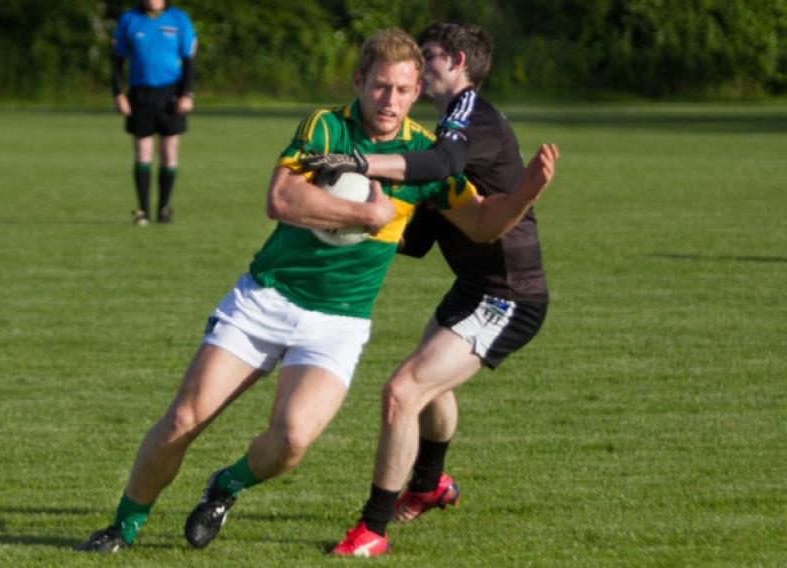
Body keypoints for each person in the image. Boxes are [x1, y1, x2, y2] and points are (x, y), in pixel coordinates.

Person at [75, 27, 557, 554]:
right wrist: (367, 214)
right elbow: (281, 199)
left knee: (291, 444)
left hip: (339, 321)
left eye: (401, 89)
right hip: (267, 297)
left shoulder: (421, 153)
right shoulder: (327, 128)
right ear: (358, 81)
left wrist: (525, 193)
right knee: (185, 419)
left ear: (417, 91)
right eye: (378, 86)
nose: (389, 100)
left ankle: (226, 486)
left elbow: (483, 224)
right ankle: (122, 527)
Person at [303, 22, 556, 557]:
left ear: (457, 61)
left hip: (508, 294)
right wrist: (353, 223)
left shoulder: (467, 113)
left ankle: (372, 530)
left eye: (429, 55)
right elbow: (419, 233)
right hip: (475, 286)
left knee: (403, 391)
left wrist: (359, 164)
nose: (419, 63)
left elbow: (442, 166)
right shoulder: (446, 124)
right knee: (427, 387)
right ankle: (431, 485)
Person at [112, 0, 197, 226]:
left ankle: (164, 208)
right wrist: (118, 94)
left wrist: (188, 94)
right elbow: (117, 60)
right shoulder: (129, 19)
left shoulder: (179, 19)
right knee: (143, 150)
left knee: (169, 151)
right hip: (140, 94)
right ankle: (142, 210)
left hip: (171, 94)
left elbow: (189, 60)